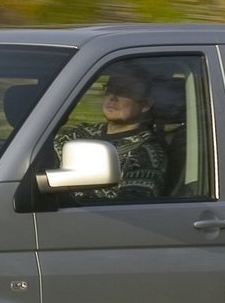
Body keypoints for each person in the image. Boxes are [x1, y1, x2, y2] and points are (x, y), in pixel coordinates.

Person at [53, 63, 168, 201]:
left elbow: (132, 207)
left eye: (124, 92)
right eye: (110, 89)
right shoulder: (78, 133)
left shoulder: (146, 153)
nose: (113, 97)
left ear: (145, 104)